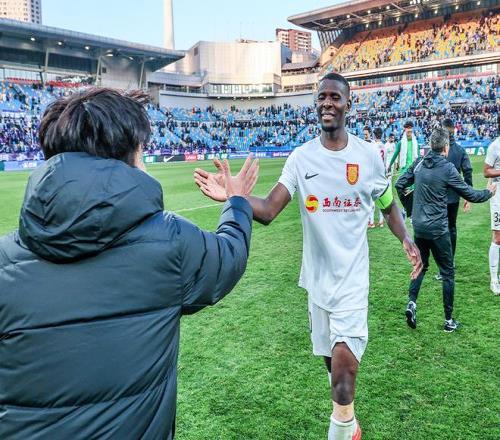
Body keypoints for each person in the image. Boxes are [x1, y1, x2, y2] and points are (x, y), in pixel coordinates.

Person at [0, 88, 259, 439]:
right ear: (131, 152)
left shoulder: (4, 260)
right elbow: (229, 256)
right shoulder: (171, 241)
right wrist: (237, 201)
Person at [194, 72, 422, 440]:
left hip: (352, 283)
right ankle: (349, 424)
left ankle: (343, 427)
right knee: (333, 369)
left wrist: (405, 238)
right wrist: (235, 197)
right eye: (322, 97)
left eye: (335, 97)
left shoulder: (367, 157)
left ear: (348, 104)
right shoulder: (301, 158)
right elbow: (269, 209)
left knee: (344, 380)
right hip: (317, 283)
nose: (327, 103)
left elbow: (387, 203)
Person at [396, 127, 494, 332]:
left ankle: (411, 303)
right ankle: (449, 321)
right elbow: (470, 194)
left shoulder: (420, 162)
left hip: (420, 227)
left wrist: (410, 209)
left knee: (421, 266)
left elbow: (399, 184)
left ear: (431, 145)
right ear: (446, 147)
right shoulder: (447, 168)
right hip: (438, 229)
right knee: (448, 273)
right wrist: (488, 192)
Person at [434, 118, 473, 280]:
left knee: (440, 230)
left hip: (438, 197)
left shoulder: (438, 150)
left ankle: (445, 266)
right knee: (451, 228)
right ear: (454, 131)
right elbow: (468, 171)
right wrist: (468, 195)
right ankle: (450, 262)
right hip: (453, 197)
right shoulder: (460, 151)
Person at [388, 121, 419, 218]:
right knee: (405, 192)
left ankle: (410, 212)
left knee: (413, 193)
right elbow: (395, 155)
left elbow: (418, 157)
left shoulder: (415, 143)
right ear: (405, 130)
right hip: (405, 171)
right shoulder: (401, 143)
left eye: (411, 131)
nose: (409, 133)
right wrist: (389, 165)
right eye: (407, 131)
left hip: (414, 171)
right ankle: (406, 209)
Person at [483, 135, 500, 294]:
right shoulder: (495, 146)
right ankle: (494, 279)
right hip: (498, 194)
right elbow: (486, 171)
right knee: (498, 237)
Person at [369, 127, 388, 228]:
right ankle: (381, 221)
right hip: (382, 173)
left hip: (373, 173)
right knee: (381, 198)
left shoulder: (373, 146)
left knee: (371, 199)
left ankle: (371, 222)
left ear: (374, 135)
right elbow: (385, 161)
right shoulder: (384, 146)